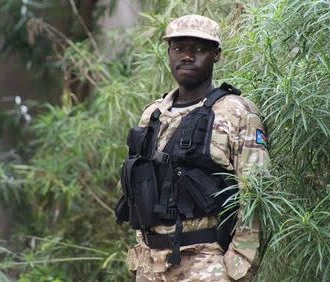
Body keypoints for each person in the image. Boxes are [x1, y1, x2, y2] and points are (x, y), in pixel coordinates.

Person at [115, 14, 269, 281]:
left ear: (216, 55)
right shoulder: (153, 113)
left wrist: (237, 267)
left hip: (206, 261)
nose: (187, 56)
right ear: (169, 52)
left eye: (198, 49)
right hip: (151, 265)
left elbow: (258, 195)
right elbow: (140, 191)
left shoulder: (235, 113)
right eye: (179, 48)